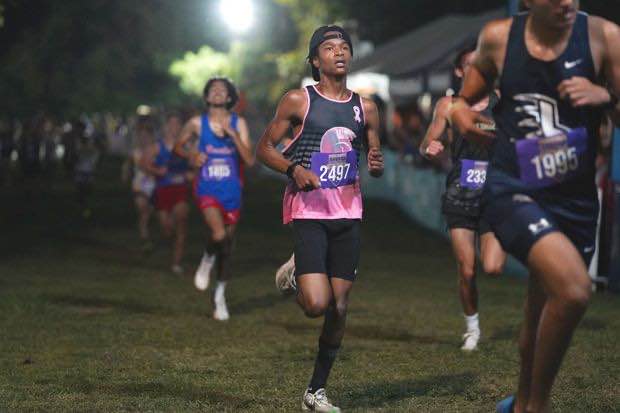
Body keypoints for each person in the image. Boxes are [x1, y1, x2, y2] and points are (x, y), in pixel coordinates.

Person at [449, 1, 620, 411]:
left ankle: (519, 403)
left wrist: (604, 95)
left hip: (575, 198)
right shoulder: (498, 38)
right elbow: (463, 100)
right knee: (575, 290)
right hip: (514, 187)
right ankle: (535, 406)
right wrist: (459, 114)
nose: (567, 2)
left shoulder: (605, 37)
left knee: (539, 310)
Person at [257, 25, 384, 412]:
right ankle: (296, 273)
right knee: (315, 304)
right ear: (315, 60)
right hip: (309, 211)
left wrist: (376, 161)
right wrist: (293, 169)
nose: (339, 53)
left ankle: (316, 392)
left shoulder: (367, 107)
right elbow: (264, 149)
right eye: (330, 48)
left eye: (344, 47)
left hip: (349, 212)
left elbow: (373, 155)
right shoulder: (298, 100)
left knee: (340, 309)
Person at [420, 44, 507, 351]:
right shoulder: (449, 105)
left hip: (495, 193)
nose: (476, 71)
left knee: (494, 267)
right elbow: (427, 143)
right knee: (467, 269)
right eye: (469, 65)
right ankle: (472, 328)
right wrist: (430, 148)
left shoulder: (503, 102)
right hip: (460, 193)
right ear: (459, 71)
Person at [175, 77, 254, 321]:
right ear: (207, 97)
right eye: (213, 90)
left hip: (232, 191)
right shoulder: (197, 123)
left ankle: (219, 295)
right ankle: (207, 260)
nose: (218, 93)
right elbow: (178, 146)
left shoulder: (238, 123)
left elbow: (250, 160)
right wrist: (191, 155)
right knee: (218, 235)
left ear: (230, 98)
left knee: (227, 248)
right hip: (207, 188)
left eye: (223, 90)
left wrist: (234, 135)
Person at [142, 112, 190, 274]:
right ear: (166, 127)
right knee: (167, 228)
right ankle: (171, 242)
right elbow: (145, 163)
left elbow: (198, 164)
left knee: (181, 224)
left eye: (177, 124)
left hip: (180, 190)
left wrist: (192, 174)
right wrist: (157, 170)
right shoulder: (157, 146)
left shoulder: (187, 146)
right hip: (162, 190)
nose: (174, 127)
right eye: (171, 124)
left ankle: (176, 263)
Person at [128, 121, 157, 251]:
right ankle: (145, 238)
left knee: (149, 212)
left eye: (146, 135)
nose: (144, 138)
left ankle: (146, 231)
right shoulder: (136, 152)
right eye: (142, 135)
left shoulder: (157, 149)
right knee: (143, 210)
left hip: (154, 184)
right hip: (139, 185)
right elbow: (140, 165)